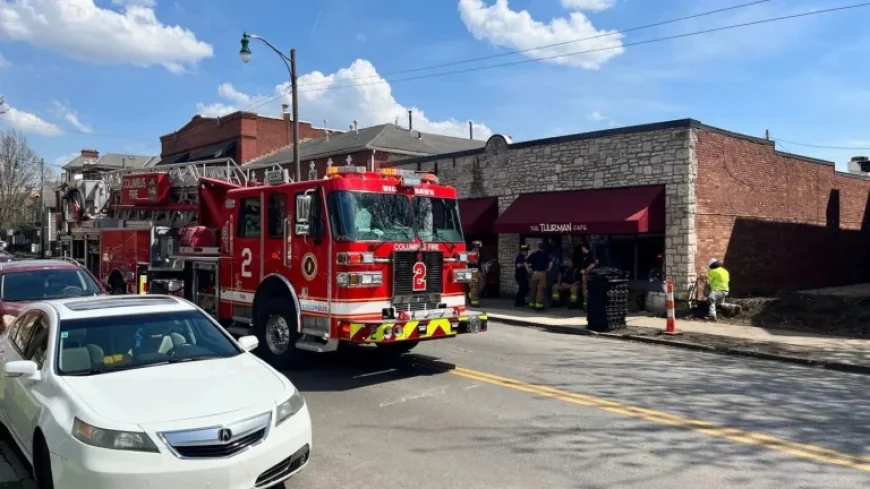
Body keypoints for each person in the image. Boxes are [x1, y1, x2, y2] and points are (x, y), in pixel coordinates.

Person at [528, 242, 554, 311]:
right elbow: (551, 263)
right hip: (542, 273)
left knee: (533, 289)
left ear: (538, 247)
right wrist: (548, 270)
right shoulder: (545, 254)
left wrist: (529, 270)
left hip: (534, 273)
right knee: (540, 290)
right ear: (544, 248)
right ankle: (539, 306)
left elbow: (526, 261)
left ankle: (531, 304)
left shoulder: (533, 254)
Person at [580, 243, 598, 310]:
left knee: (587, 290)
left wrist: (585, 270)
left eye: (582, 248)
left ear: (585, 247)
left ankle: (588, 306)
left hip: (588, 275)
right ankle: (585, 305)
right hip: (585, 275)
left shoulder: (590, 254)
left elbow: (593, 265)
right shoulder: (585, 255)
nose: (581, 249)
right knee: (585, 291)